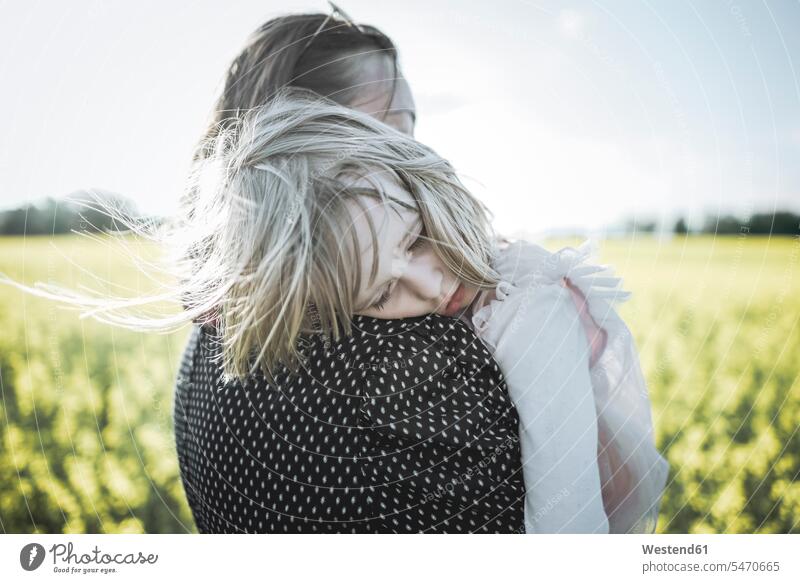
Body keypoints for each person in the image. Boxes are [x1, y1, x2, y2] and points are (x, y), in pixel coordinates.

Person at [176, 89, 668, 534]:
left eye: (415, 239)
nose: (433, 288)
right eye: (383, 295)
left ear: (414, 169)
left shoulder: (534, 316)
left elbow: (571, 521)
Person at [172, 9, 527, 533]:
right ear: (306, 141)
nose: (418, 152)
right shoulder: (409, 355)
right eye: (394, 128)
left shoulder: (207, 344)